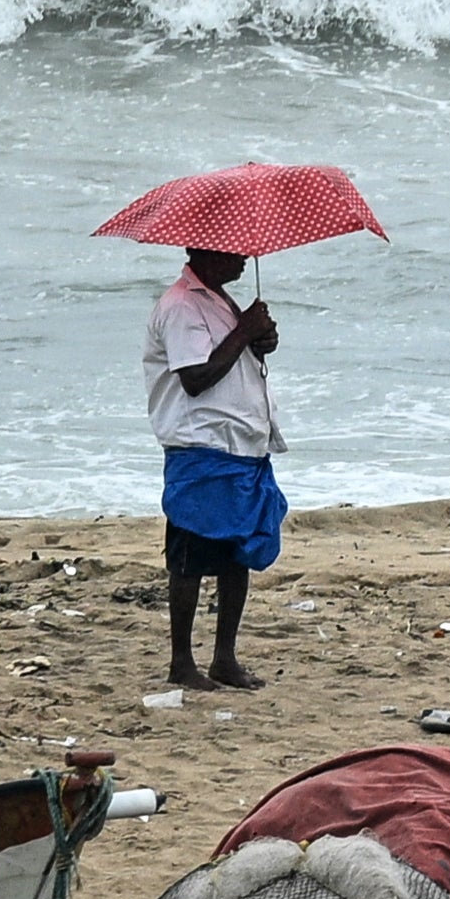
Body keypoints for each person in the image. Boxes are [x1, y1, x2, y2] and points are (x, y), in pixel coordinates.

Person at [146, 245, 288, 689]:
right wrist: (245, 331)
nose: (245, 257)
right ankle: (182, 662)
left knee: (236, 555)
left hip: (239, 446)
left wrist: (259, 340)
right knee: (189, 557)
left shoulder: (219, 300)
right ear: (204, 251)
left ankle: (224, 656)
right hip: (202, 447)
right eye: (234, 251)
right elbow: (196, 377)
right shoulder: (182, 306)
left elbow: (231, 358)